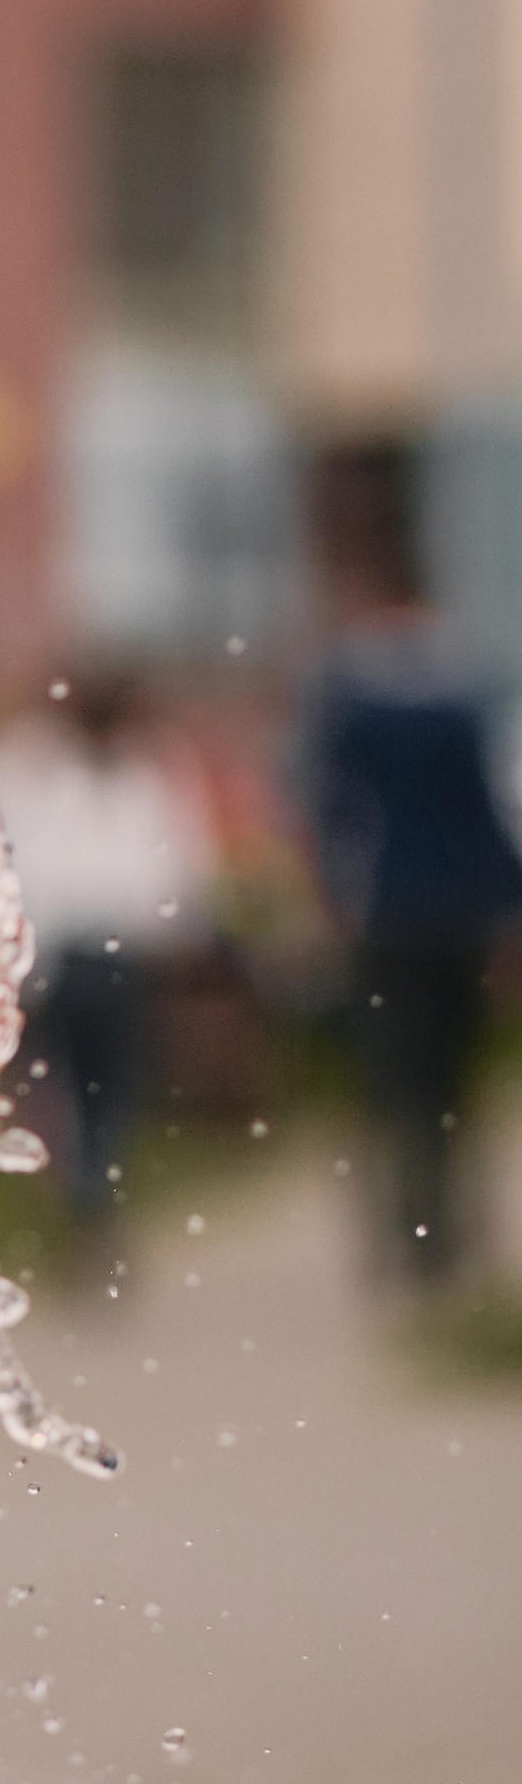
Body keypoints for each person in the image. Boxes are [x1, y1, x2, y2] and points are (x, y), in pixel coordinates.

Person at [297, 441, 522, 1285]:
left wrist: (328, 901)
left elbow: (327, 809)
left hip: (388, 909)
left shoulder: (348, 686)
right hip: (458, 910)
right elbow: (488, 811)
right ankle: (450, 1237)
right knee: (456, 1085)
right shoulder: (458, 680)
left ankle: (408, 1235)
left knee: (397, 1082)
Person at [0, 671, 217, 1250]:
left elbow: (173, 872)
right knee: (90, 1087)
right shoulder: (42, 767)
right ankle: (88, 1191)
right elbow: (173, 872)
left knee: (95, 1087)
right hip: (76, 959)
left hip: (99, 958)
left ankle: (87, 1194)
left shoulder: (134, 771)